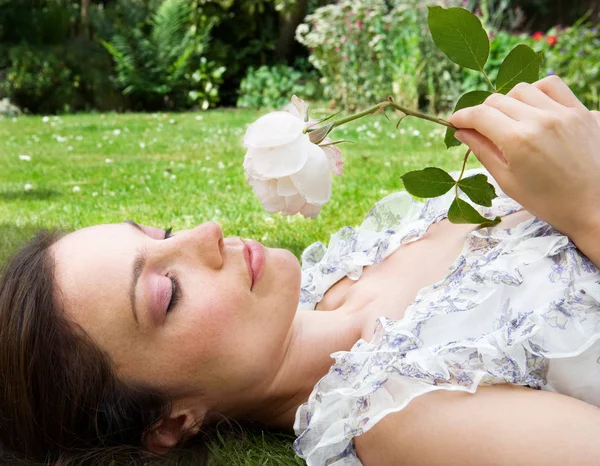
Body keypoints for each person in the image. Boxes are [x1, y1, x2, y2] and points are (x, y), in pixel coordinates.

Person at [1, 76, 600, 466]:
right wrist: (586, 205)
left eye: (160, 234)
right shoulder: (402, 417)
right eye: (168, 292)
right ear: (172, 422)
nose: (206, 235)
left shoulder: (347, 265)